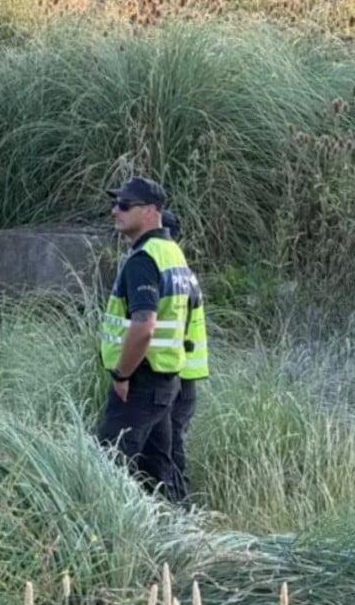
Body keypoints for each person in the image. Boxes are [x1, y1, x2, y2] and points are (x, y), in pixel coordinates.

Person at [97, 176, 194, 503]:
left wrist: (122, 374)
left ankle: (106, 539)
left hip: (140, 379)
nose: (115, 211)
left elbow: (144, 326)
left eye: (125, 205)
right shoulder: (172, 252)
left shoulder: (145, 259)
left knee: (108, 464)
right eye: (115, 204)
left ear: (151, 211)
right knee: (158, 471)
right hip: (166, 379)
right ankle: (180, 536)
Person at [162, 209, 208, 507]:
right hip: (186, 373)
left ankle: (180, 508)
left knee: (170, 445)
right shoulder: (184, 274)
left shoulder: (167, 272)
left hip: (173, 373)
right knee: (171, 443)